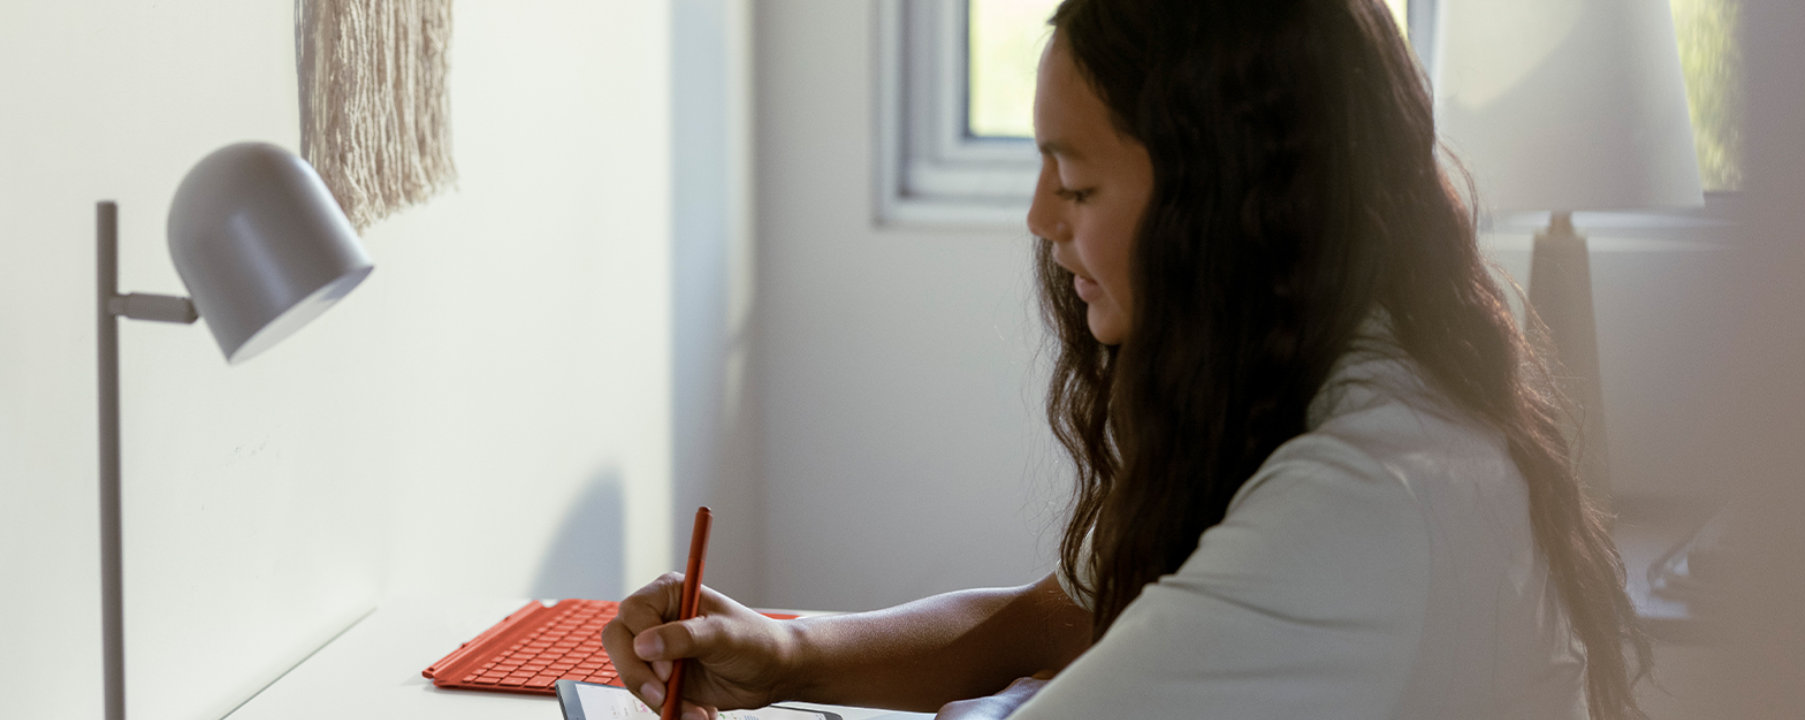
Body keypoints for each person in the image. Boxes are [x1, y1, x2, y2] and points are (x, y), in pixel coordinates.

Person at [602, 1, 1650, 718]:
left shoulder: (1357, 502)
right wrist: (785, 655)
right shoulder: (1349, 391)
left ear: (1222, 205)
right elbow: (1064, 610)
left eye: (1077, 182)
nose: (1039, 218)